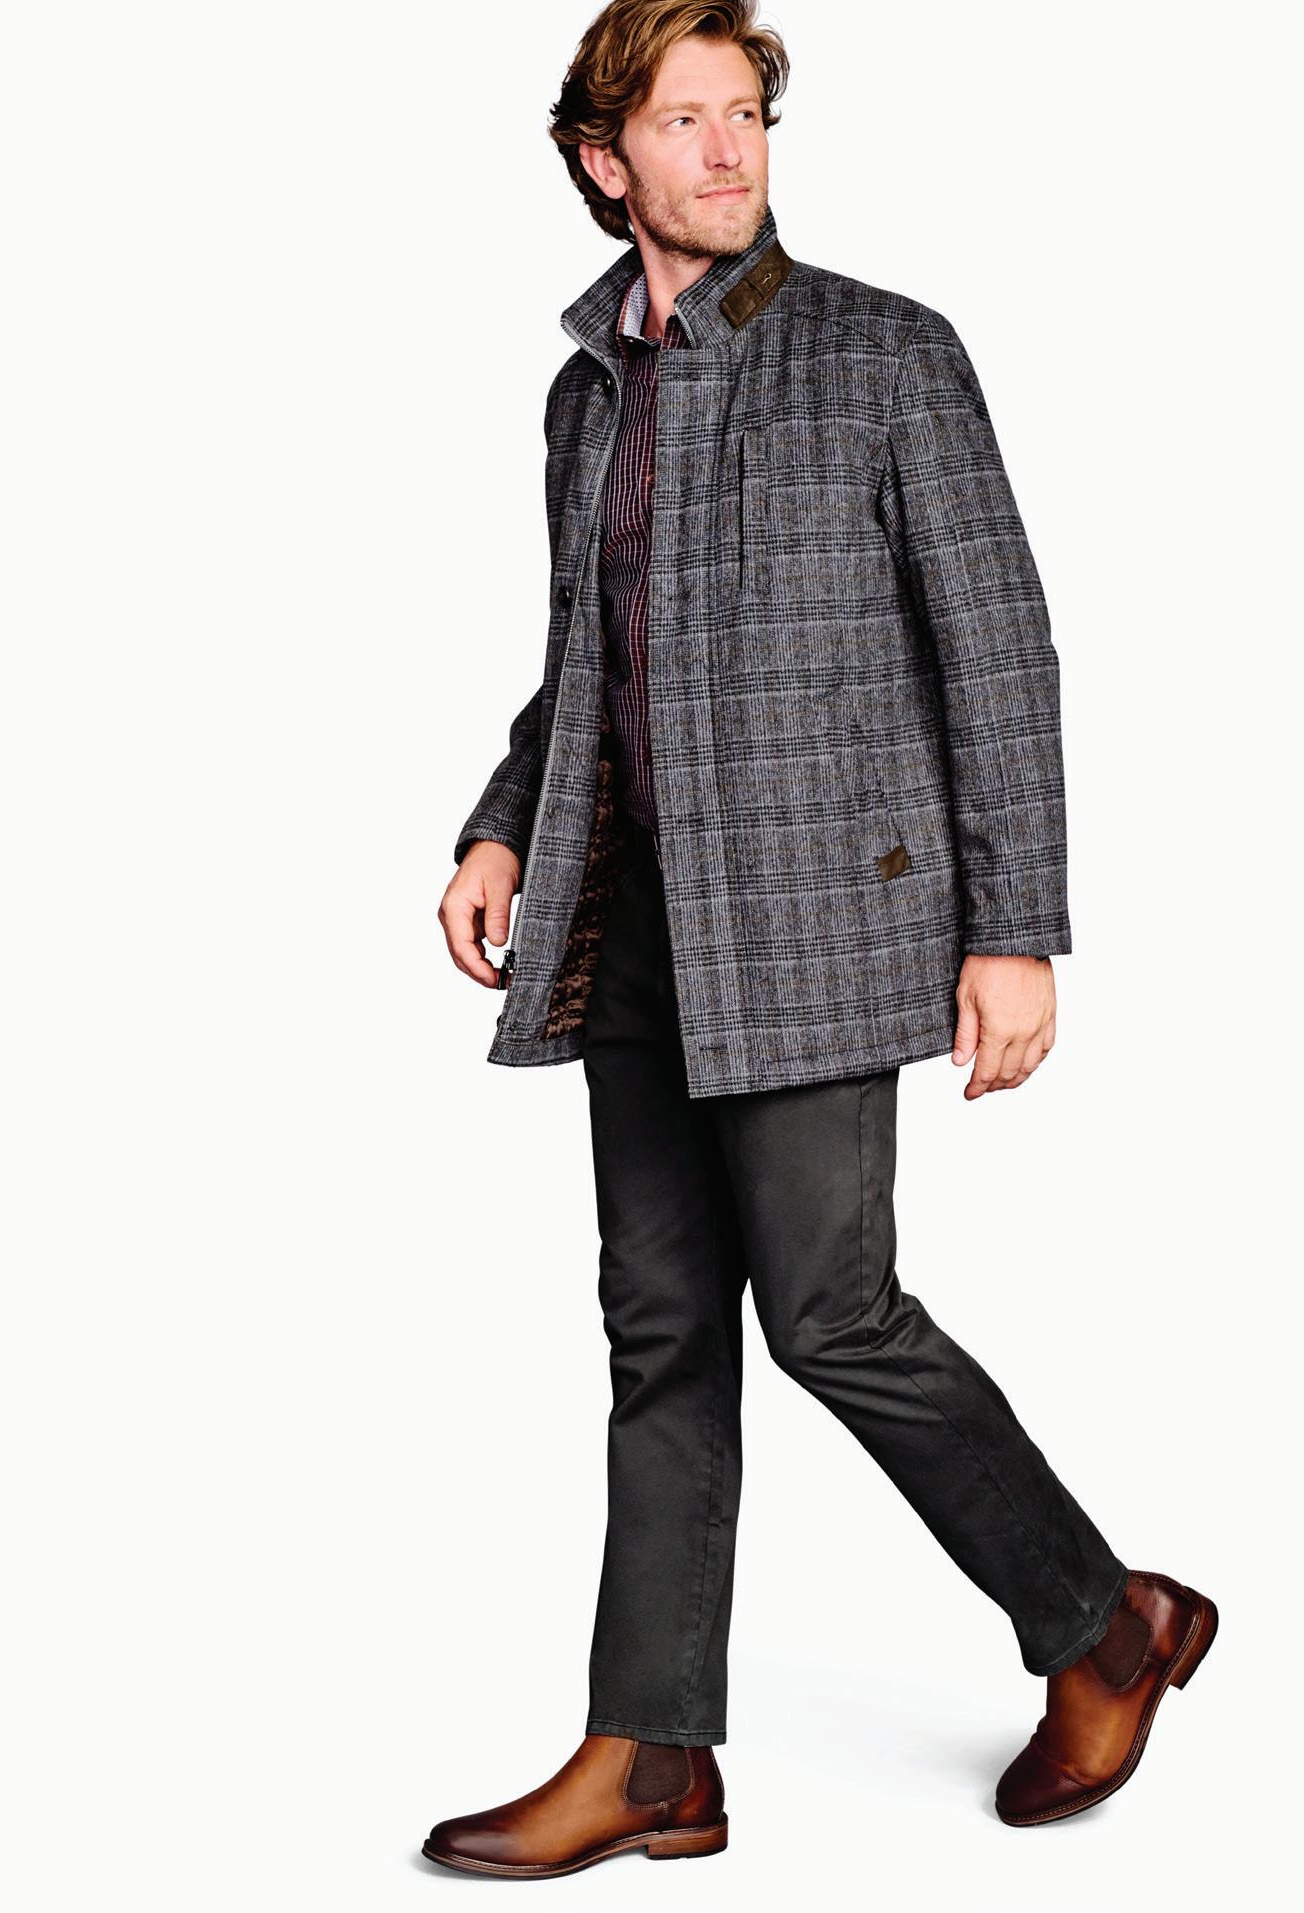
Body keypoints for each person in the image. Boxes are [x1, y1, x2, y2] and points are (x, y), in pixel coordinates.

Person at [429, 0, 1216, 1877]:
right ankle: (652, 1754)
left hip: (812, 921)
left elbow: (1000, 650)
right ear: (603, 160)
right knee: (658, 1334)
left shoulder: (883, 353)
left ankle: (1102, 1623)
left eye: (746, 115)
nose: (728, 150)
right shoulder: (586, 394)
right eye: (682, 120)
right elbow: (585, 658)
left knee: (833, 1315)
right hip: (632, 921)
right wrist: (501, 819)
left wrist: (1014, 924)